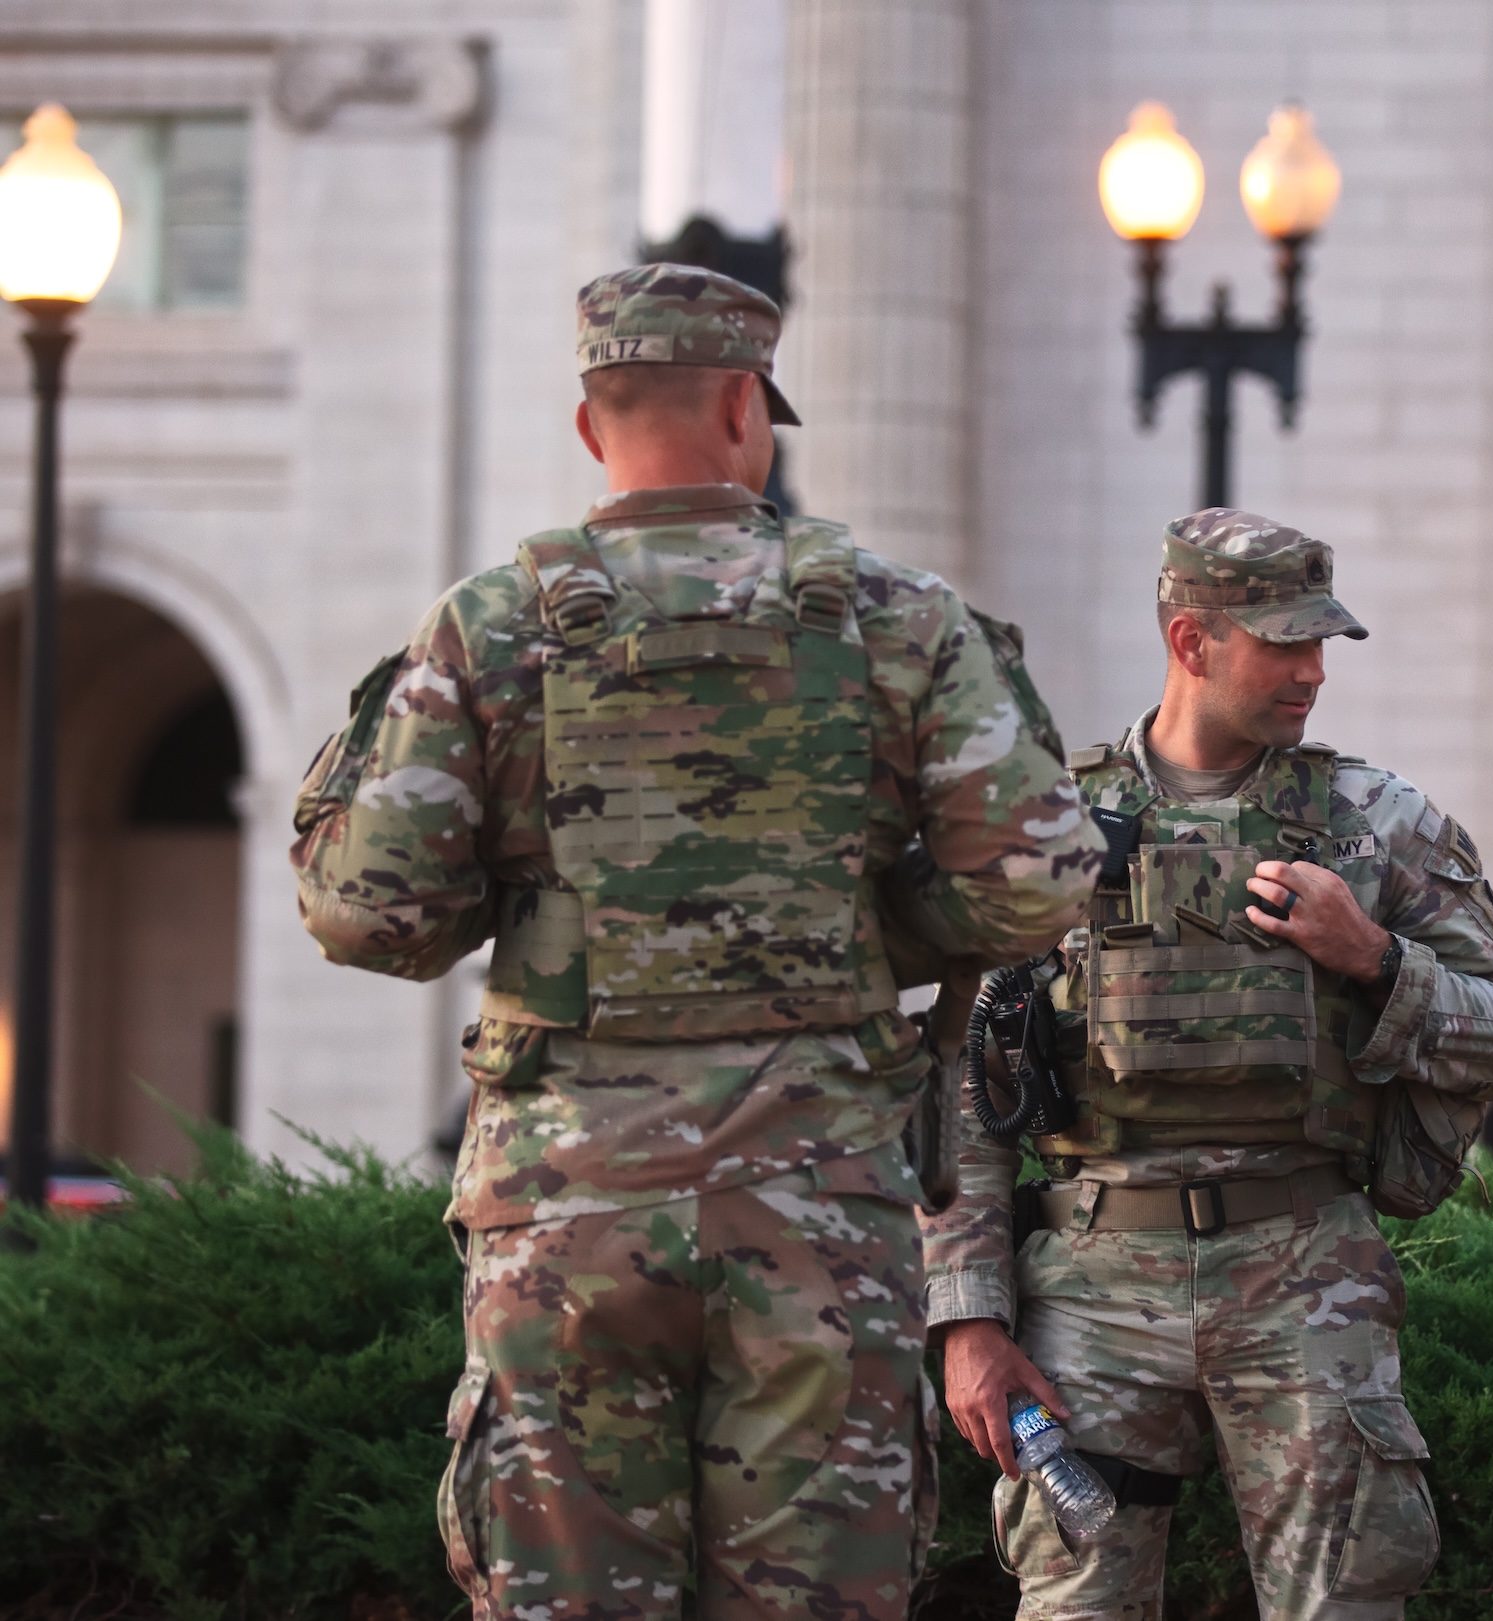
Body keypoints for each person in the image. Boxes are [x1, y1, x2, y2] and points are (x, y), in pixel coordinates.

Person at [290, 263, 1102, 1620]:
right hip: (820, 1200)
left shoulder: (488, 625)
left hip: (568, 1208)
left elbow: (370, 913)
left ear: (589, 423)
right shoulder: (897, 615)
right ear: (742, 406)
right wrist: (856, 925)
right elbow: (1039, 880)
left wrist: (544, 908)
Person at [922, 509, 1493, 1620]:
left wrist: (1376, 958)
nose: (1314, 671)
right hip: (1091, 1289)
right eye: (1285, 641)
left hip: (1307, 1273)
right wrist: (968, 1319)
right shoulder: (1055, 824)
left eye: (1322, 643)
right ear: (1191, 640)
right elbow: (965, 1089)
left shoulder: (1375, 821)